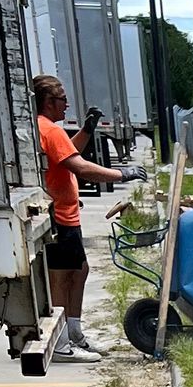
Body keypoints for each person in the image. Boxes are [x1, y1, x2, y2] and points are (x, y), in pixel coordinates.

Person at [31, 74, 138, 360]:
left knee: (79, 271)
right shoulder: (49, 130)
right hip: (59, 216)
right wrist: (122, 173)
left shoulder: (46, 128)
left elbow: (69, 152)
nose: (67, 105)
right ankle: (61, 343)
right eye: (63, 99)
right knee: (61, 278)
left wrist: (88, 129)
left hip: (66, 214)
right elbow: (81, 167)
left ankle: (74, 331)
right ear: (49, 102)